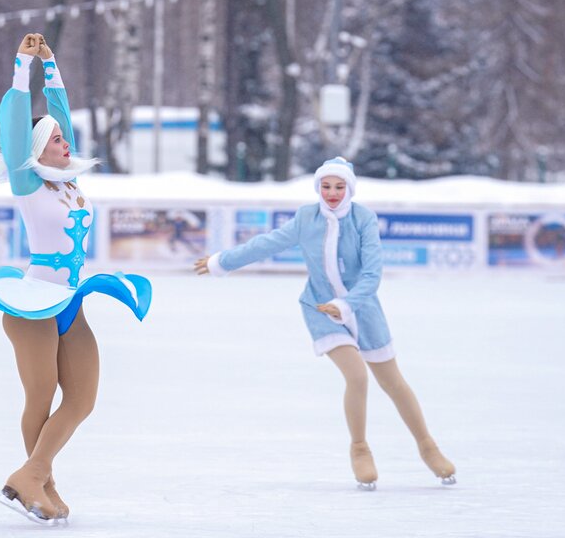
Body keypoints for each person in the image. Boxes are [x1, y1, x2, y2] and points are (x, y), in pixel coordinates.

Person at [0, 33, 151, 522]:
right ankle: (41, 485)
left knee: (82, 399)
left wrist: (52, 65)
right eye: (58, 140)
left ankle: (30, 475)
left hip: (69, 302)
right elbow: (17, 126)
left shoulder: (70, 182)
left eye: (66, 139)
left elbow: (58, 110)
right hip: (30, 305)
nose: (67, 143)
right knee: (41, 398)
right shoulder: (28, 183)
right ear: (39, 151)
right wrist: (22, 65)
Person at [194, 156, 455, 490]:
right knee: (357, 376)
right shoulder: (307, 218)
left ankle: (428, 447)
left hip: (363, 309)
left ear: (349, 188)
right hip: (319, 309)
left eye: (339, 186)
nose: (331, 193)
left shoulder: (363, 219)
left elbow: (373, 273)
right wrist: (222, 262)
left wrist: (346, 304)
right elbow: (267, 243)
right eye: (326, 186)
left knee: (394, 383)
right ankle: (360, 449)